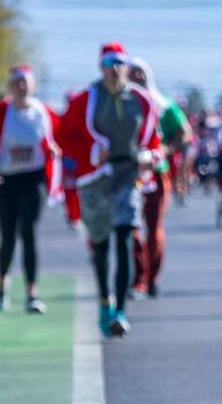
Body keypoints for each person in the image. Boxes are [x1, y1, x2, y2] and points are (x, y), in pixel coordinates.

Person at [55, 42, 161, 338]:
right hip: (94, 179)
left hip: (127, 175)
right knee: (101, 244)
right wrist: (91, 151)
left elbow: (154, 139)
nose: (115, 69)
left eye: (120, 64)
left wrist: (151, 156)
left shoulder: (142, 100)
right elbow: (63, 136)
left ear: (126, 68)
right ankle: (105, 302)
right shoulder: (85, 100)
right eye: (110, 64)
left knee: (125, 237)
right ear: (100, 68)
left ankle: (120, 310)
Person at [0, 65, 61, 314]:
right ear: (10, 86)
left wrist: (55, 151)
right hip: (6, 180)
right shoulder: (1, 112)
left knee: (29, 233)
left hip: (33, 179)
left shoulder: (42, 112)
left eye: (26, 82)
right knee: (7, 236)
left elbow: (58, 137)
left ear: (33, 85)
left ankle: (32, 293)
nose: (22, 87)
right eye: (17, 82)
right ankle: (2, 286)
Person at [130, 57, 191, 299]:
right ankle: (138, 279)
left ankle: (152, 278)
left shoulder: (163, 105)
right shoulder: (122, 105)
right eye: (132, 74)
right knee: (132, 228)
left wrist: (164, 149)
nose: (136, 78)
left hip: (156, 174)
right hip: (129, 174)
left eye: (140, 74)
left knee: (154, 228)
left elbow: (183, 133)